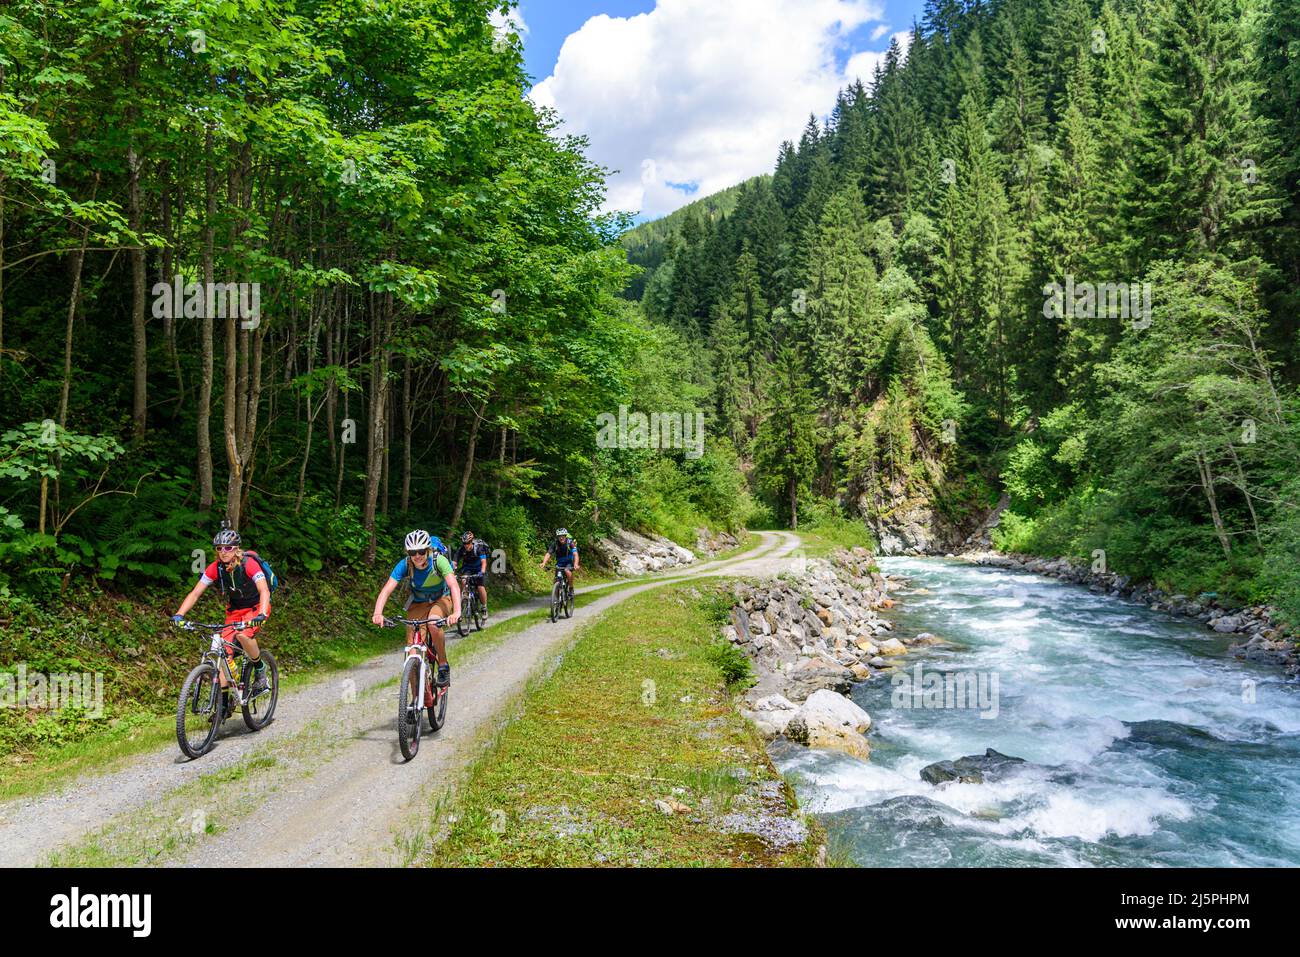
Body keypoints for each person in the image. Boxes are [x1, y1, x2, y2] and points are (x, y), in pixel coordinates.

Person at [172, 525, 271, 697]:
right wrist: (179, 614)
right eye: (219, 548)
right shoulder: (215, 568)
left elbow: (264, 590)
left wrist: (261, 614)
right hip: (235, 611)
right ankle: (224, 703)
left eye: (228, 548)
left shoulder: (249, 564)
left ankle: (260, 670)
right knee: (222, 654)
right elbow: (195, 593)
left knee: (243, 634)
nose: (223, 552)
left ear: (236, 549)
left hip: (256, 608)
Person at [371, 530, 461, 694]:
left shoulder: (438, 561)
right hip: (418, 603)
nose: (417, 555)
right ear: (408, 553)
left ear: (428, 550)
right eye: (413, 552)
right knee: (412, 650)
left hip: (441, 599)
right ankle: (414, 701)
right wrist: (378, 613)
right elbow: (386, 590)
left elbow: (454, 586)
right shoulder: (405, 564)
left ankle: (443, 665)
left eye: (421, 551)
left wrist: (456, 612)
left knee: (434, 623)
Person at [453, 530, 491, 619]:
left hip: (478, 568)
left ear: (472, 541)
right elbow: (454, 562)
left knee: (480, 587)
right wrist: (452, 572)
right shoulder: (461, 549)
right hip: (468, 568)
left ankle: (484, 607)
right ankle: (464, 599)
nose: (466, 545)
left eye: (468, 543)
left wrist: (482, 572)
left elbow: (484, 562)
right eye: (464, 543)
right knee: (463, 580)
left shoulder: (479, 548)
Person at [539, 527, 579, 592]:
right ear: (557, 537)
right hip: (559, 563)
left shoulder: (570, 543)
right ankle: (556, 599)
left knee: (567, 571)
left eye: (563, 536)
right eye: (559, 536)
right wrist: (543, 563)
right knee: (556, 580)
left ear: (565, 536)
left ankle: (571, 588)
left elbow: (575, 554)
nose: (561, 538)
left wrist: (576, 564)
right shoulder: (555, 543)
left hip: (569, 562)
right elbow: (548, 554)